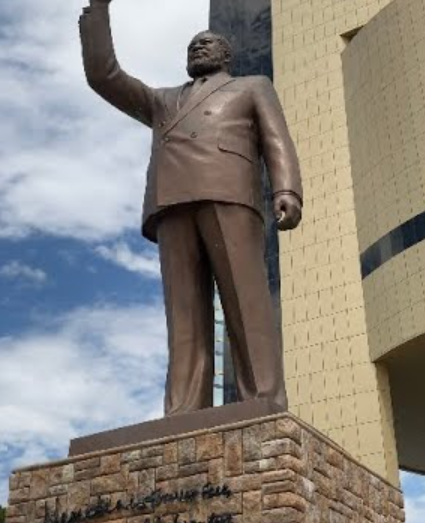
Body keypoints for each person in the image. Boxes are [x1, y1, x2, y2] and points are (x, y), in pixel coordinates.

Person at [79, 0, 303, 415]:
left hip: (228, 190)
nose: (198, 48)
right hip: (172, 200)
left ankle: (263, 400)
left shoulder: (252, 86)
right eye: (192, 46)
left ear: (226, 56)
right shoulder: (162, 101)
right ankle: (184, 409)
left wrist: (286, 189)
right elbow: (105, 76)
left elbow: (276, 140)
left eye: (207, 43)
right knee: (183, 315)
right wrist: (98, 12)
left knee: (245, 299)